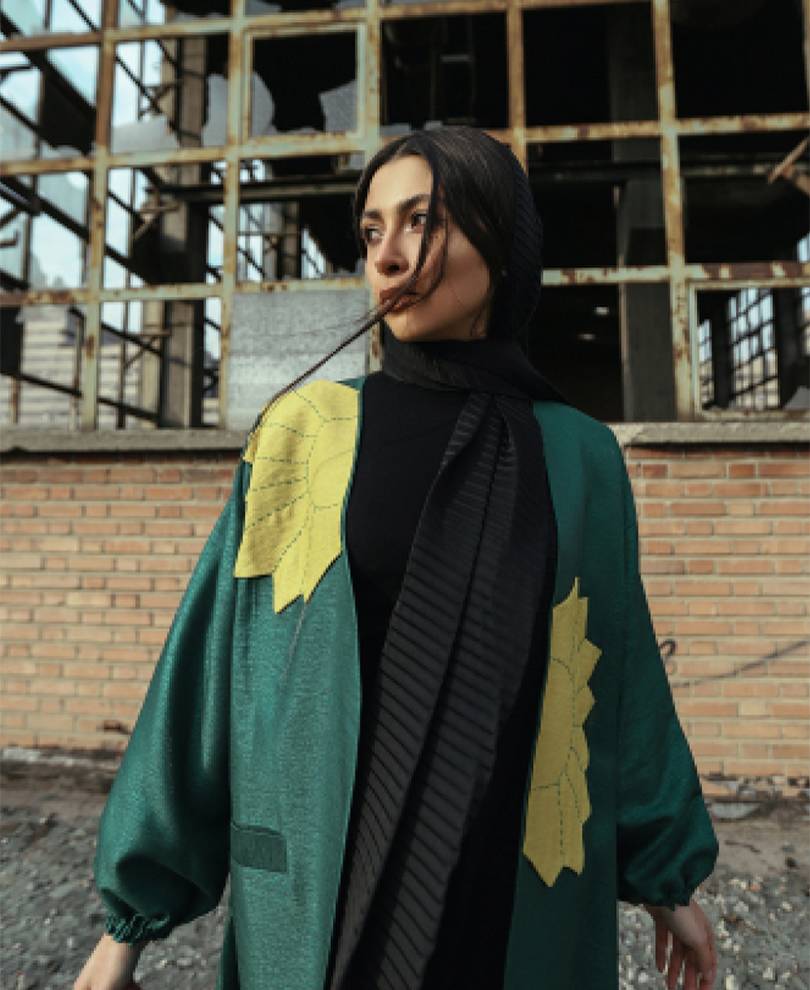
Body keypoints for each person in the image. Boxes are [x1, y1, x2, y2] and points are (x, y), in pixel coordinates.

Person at [74, 126, 719, 990]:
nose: (387, 256)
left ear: (501, 240)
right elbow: (210, 668)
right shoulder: (303, 435)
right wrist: (127, 924)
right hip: (323, 887)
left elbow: (620, 677)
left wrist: (667, 879)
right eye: (373, 230)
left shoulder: (578, 455)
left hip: (511, 885)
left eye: (423, 221)